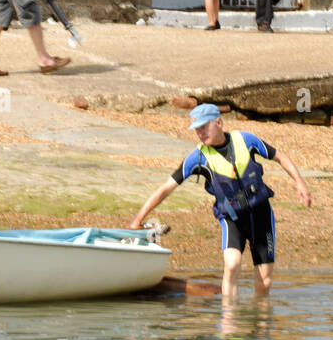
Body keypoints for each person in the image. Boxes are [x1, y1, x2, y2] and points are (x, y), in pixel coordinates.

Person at [128, 104, 312, 298]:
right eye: (197, 129)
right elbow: (166, 188)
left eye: (204, 127)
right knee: (232, 265)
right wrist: (137, 219)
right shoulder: (198, 158)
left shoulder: (246, 140)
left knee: (264, 283)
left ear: (218, 122)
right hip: (232, 218)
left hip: (261, 215)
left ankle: (260, 325)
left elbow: (280, 157)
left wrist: (300, 184)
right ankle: (228, 324)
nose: (200, 133)